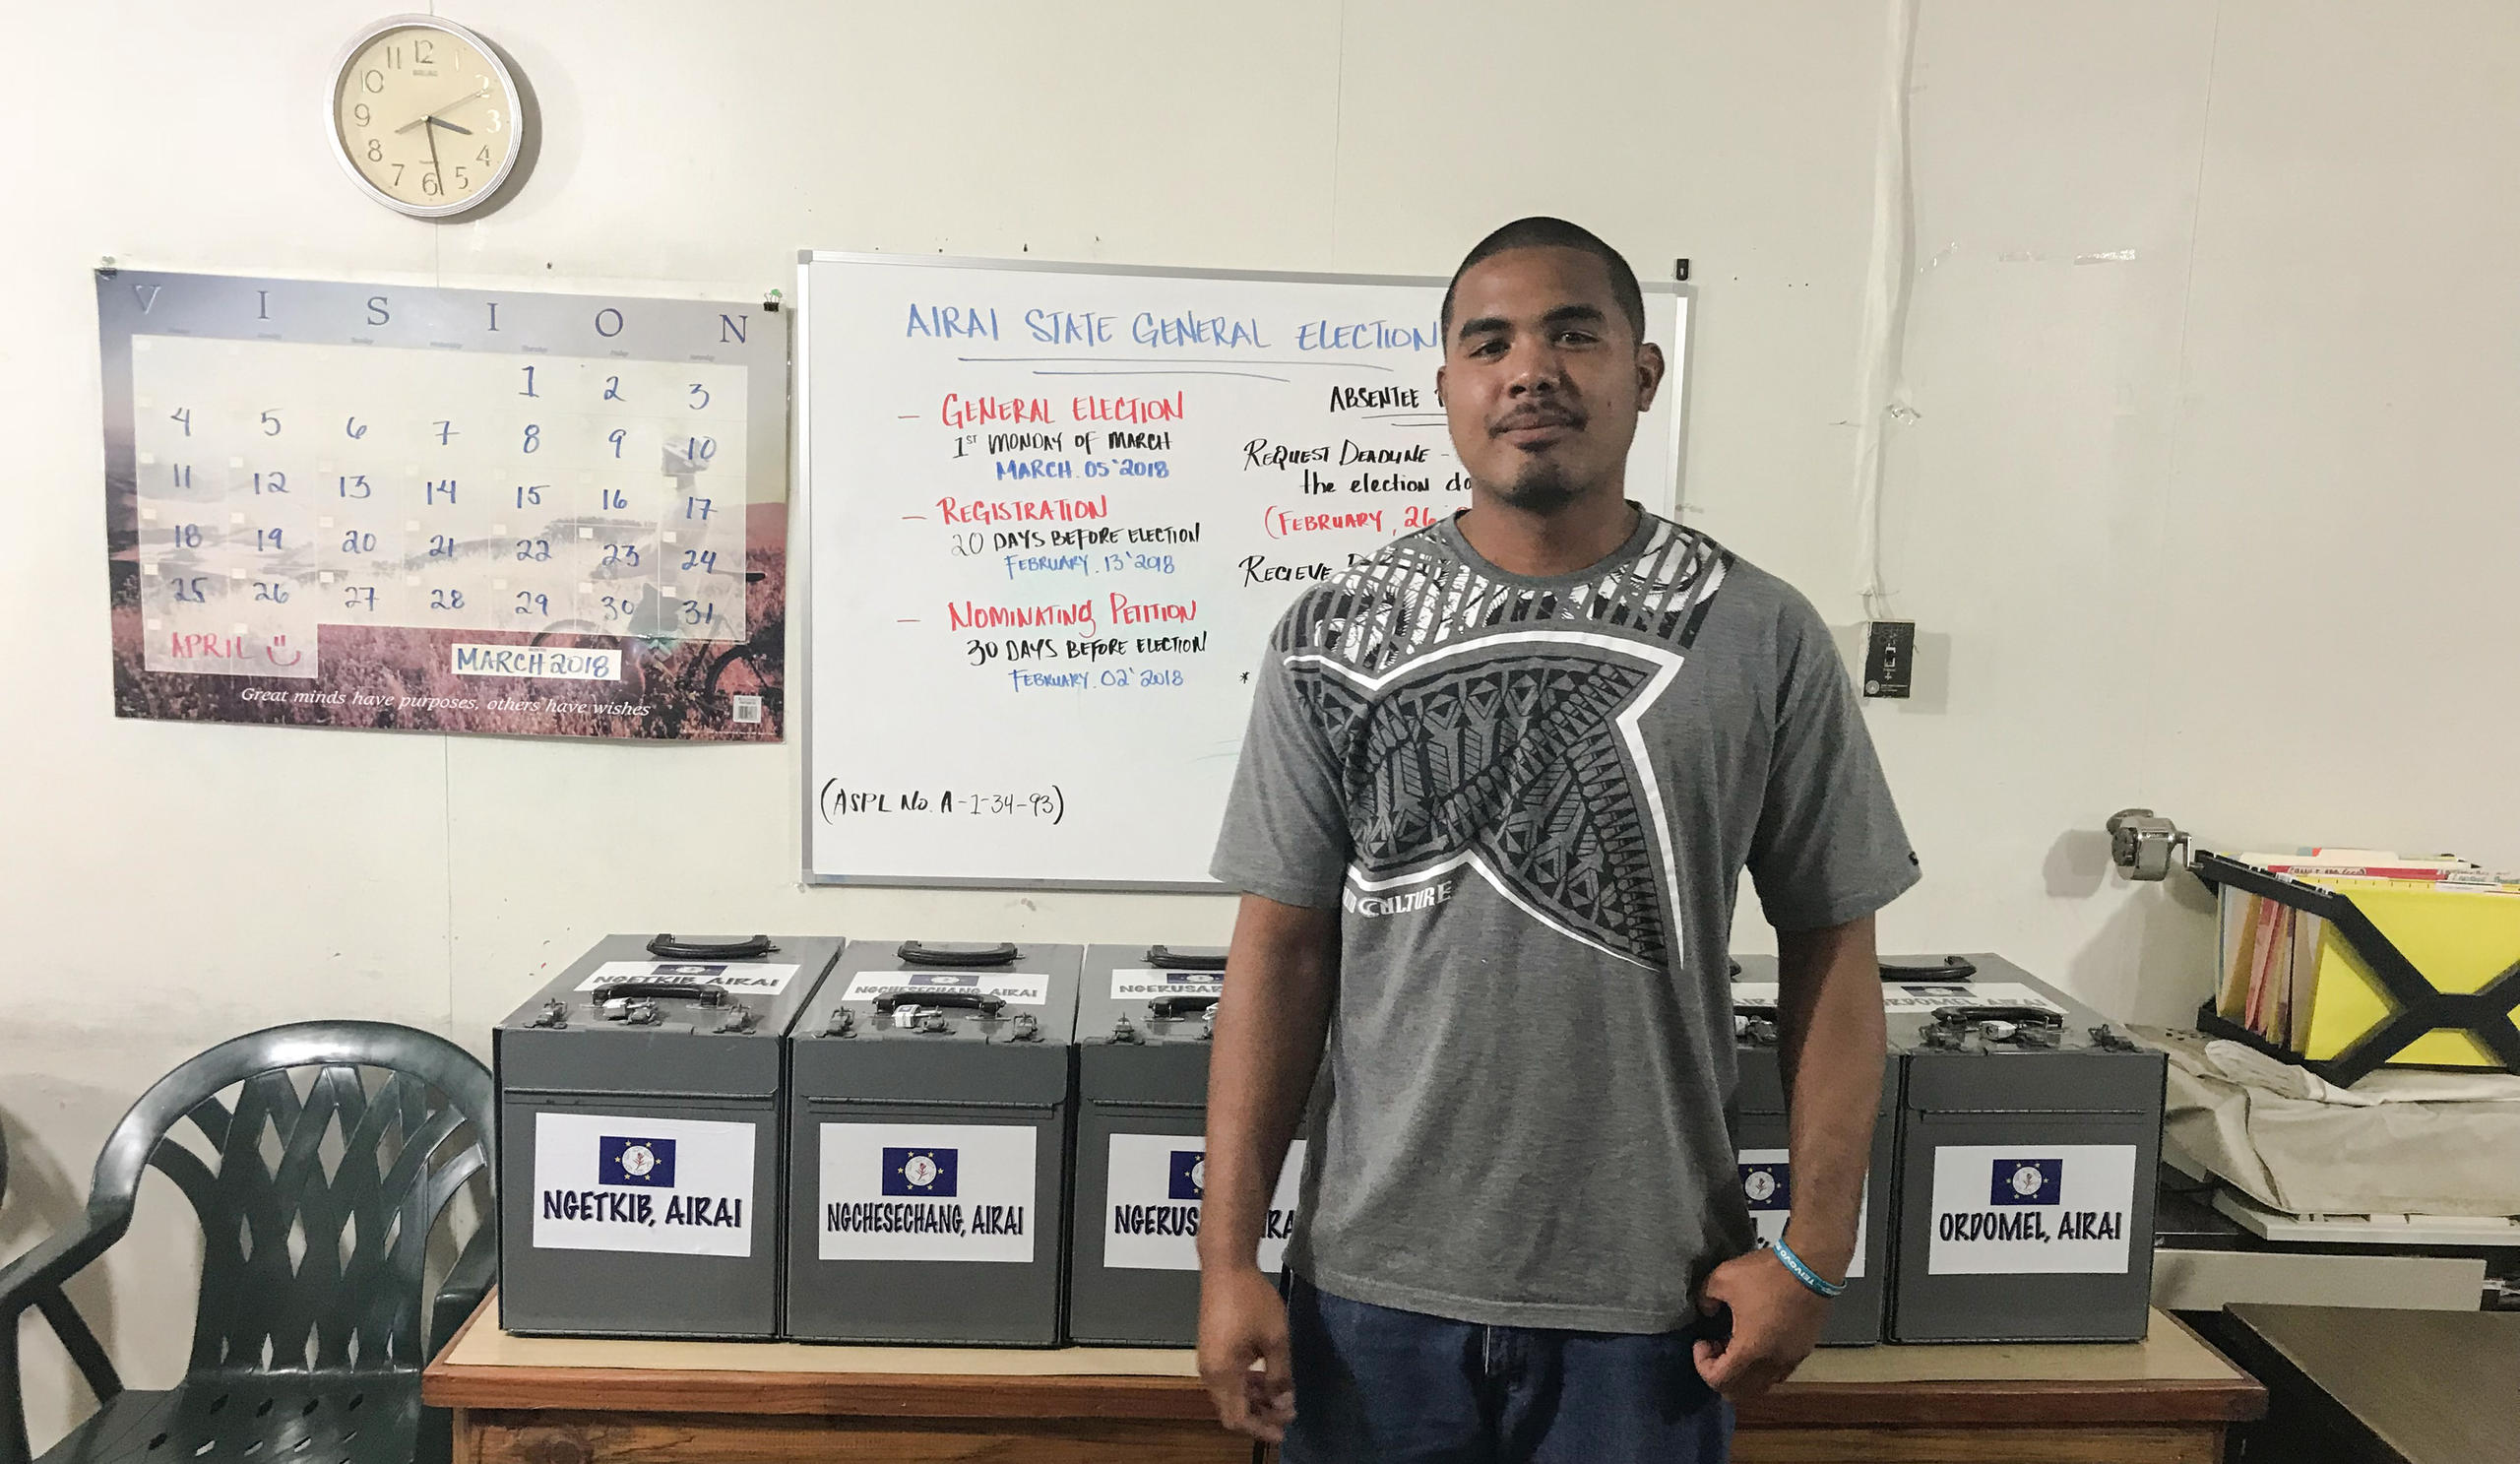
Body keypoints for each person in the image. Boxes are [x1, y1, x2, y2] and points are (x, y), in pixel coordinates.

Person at [1195, 217, 1920, 1462]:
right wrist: (1224, 1259)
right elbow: (1278, 954)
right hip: (1372, 1298)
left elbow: (1832, 947)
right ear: (1445, 391)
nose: (1530, 368)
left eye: (1573, 331)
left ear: (1642, 372)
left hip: (1649, 1306)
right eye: (1490, 341)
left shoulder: (1759, 633)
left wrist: (1814, 1246)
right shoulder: (1334, 629)